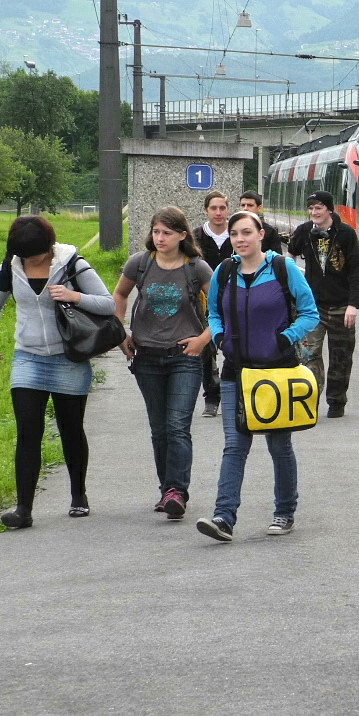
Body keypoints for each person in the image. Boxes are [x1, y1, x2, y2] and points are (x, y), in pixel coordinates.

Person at [0, 215, 113, 528]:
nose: (31, 261)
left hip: (69, 358)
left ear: (49, 246)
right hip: (28, 358)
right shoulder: (10, 266)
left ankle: (78, 495)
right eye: (25, 257)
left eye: (37, 256)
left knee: (70, 429)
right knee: (28, 432)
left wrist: (74, 296)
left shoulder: (73, 263)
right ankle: (23, 510)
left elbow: (108, 304)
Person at [194, 210, 319, 543]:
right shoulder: (225, 271)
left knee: (279, 445)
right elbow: (213, 312)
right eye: (235, 233)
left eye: (247, 232)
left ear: (261, 234)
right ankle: (223, 517)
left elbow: (310, 313)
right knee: (234, 446)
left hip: (276, 372)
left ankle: (285, 512)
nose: (240, 239)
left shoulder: (283, 269)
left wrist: (285, 338)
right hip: (236, 372)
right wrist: (220, 337)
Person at [112, 206, 213, 520]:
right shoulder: (140, 263)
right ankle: (166, 489)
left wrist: (203, 339)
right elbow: (119, 295)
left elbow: (224, 307)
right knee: (159, 429)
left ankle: (176, 492)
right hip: (146, 357)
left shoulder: (197, 268)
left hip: (185, 356)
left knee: (177, 426)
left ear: (182, 235)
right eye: (156, 232)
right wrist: (120, 332)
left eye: (167, 233)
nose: (160, 238)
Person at [195, 191, 281, 417]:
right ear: (206, 210)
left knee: (240, 347)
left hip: (240, 301)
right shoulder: (197, 236)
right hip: (207, 302)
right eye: (213, 208)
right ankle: (212, 396)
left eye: (222, 208)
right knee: (207, 350)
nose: (218, 212)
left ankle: (249, 393)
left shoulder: (238, 238)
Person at [288, 190, 359, 418]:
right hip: (312, 307)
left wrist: (353, 305)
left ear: (329, 210)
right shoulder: (304, 231)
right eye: (311, 208)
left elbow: (357, 271)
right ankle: (309, 401)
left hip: (341, 305)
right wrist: (292, 281)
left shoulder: (346, 234)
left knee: (341, 356)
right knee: (308, 355)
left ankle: (336, 401)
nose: (314, 212)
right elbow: (289, 255)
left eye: (319, 208)